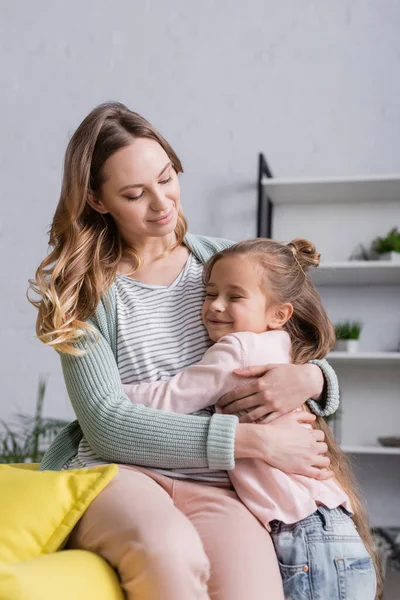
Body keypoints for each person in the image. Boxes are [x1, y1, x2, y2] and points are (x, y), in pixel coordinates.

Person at [29, 101, 340, 600]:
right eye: (135, 193)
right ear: (97, 200)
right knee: (169, 554)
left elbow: (299, 340)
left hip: (216, 484)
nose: (162, 203)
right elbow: (106, 424)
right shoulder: (82, 291)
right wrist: (253, 442)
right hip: (117, 474)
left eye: (167, 177)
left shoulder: (224, 261)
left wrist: (316, 379)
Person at [122, 237, 380, 600]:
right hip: (332, 525)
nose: (216, 306)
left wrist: (115, 396)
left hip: (302, 534)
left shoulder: (236, 350)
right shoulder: (282, 346)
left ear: (279, 313)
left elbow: (170, 398)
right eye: (210, 294)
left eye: (235, 297)